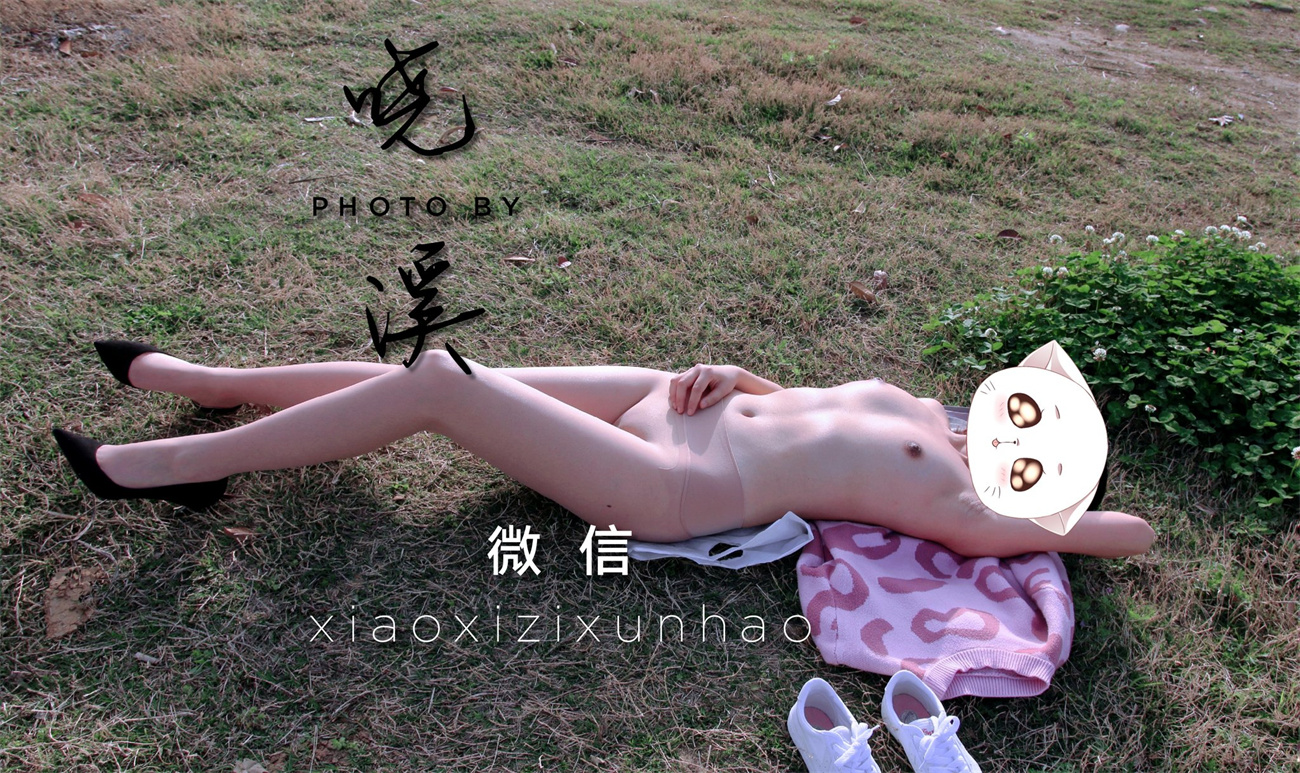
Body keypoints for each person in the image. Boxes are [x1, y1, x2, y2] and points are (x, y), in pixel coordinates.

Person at [53, 341, 1156, 559]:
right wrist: (740, 375)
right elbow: (804, 407)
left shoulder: (966, 501)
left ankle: (181, 469)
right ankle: (210, 382)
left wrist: (1068, 508)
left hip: (675, 484)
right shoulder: (919, 405)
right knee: (440, 368)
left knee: (440, 381)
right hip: (662, 399)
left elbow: (1130, 535)